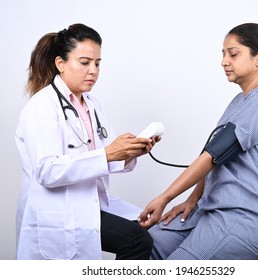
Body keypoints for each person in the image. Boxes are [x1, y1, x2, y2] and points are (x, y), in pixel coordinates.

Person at [138, 23, 258, 260]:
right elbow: (220, 159)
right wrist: (192, 200)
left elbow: (211, 156)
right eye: (223, 54)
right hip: (216, 208)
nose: (224, 61)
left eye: (233, 54)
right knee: (147, 244)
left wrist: (165, 198)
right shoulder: (240, 101)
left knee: (180, 265)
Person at [15, 23, 160, 260]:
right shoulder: (42, 107)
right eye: (84, 62)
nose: (93, 70)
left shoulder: (91, 104)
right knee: (136, 240)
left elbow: (104, 156)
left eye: (97, 63)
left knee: (150, 231)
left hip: (88, 206)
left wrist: (130, 153)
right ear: (60, 63)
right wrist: (109, 154)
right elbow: (47, 171)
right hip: (58, 213)